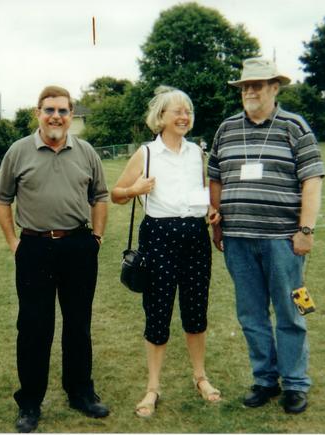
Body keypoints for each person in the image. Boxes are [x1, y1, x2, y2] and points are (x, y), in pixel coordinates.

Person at [208, 57, 325, 414]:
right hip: (238, 240)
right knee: (251, 314)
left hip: (283, 241)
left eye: (257, 85)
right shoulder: (226, 129)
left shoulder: (294, 126)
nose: (250, 91)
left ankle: (294, 383)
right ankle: (264, 379)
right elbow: (215, 177)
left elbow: (312, 180)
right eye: (245, 86)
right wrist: (217, 223)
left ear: (275, 87)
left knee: (290, 311)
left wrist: (305, 230)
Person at [0, 85, 110, 433]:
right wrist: (14, 242)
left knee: (78, 323)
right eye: (49, 110)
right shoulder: (18, 152)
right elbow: (2, 200)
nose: (56, 116)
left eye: (62, 110)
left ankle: (80, 392)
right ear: (38, 113)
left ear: (71, 115)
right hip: (34, 248)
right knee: (33, 328)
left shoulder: (86, 152)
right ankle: (30, 402)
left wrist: (97, 238)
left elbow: (100, 195)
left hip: (78, 246)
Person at [111, 86, 221, 418]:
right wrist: (134, 189)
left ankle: (200, 377)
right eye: (177, 111)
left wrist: (209, 212)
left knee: (195, 311)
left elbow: (197, 194)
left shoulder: (196, 153)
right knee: (157, 314)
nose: (184, 116)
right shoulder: (145, 154)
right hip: (158, 237)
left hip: (194, 238)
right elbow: (116, 193)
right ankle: (153, 388)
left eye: (188, 110)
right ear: (161, 117)